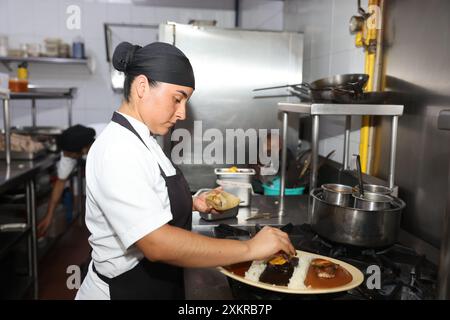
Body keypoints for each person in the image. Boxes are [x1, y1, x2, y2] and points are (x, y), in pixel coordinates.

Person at [75, 41, 295, 300]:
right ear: (142, 87)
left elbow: (147, 196)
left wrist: (191, 203)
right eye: (177, 99)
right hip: (124, 290)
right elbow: (156, 243)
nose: (181, 113)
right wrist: (249, 248)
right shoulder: (117, 149)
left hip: (151, 284)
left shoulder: (143, 139)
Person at [37, 124, 105, 236]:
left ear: (83, 150)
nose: (65, 155)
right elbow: (60, 183)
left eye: (69, 154)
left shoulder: (106, 144)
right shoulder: (70, 147)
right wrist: (49, 216)